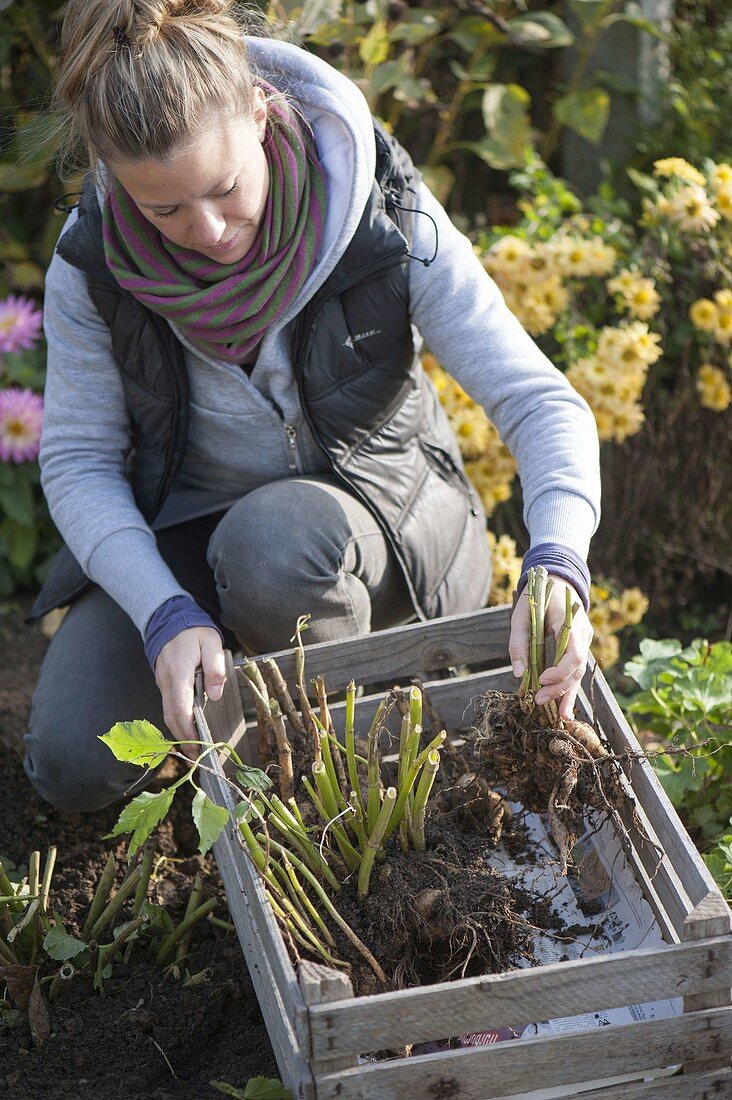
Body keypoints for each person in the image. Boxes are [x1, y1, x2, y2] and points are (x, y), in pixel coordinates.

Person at [23, 0, 599, 814]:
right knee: (74, 760)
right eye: (166, 210)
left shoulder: (381, 210)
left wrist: (561, 562)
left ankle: (353, 785)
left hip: (386, 528)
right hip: (192, 532)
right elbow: (79, 461)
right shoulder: (92, 265)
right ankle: (240, 729)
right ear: (116, 179)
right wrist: (161, 612)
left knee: (274, 543)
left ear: (262, 113)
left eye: (226, 189)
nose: (211, 231)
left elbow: (540, 400)